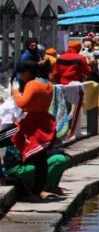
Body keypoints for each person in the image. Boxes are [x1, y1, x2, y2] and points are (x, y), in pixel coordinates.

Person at [9, 60, 58, 200]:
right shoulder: (48, 84)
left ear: (28, 72)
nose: (21, 76)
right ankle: (38, 188)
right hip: (45, 121)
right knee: (41, 159)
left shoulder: (32, 84)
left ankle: (31, 189)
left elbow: (23, 103)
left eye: (22, 73)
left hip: (32, 124)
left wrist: (16, 92)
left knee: (34, 157)